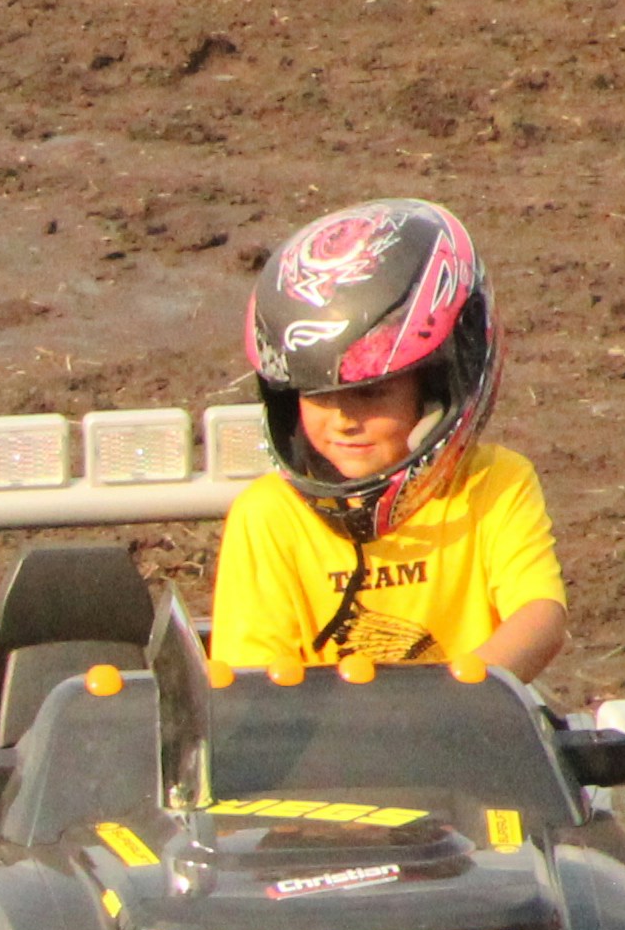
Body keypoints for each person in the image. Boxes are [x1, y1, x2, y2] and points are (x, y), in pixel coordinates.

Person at [211, 195, 571, 685]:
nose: (342, 421)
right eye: (318, 397)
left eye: (369, 394)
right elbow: (251, 688)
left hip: (469, 744)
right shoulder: (269, 516)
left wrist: (457, 699)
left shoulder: (495, 483)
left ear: (436, 392)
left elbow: (540, 618)